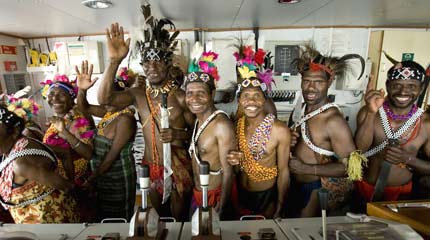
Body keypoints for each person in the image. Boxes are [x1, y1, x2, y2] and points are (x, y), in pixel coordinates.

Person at [96, 3, 193, 220]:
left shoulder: (180, 96)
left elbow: (197, 132)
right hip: (151, 166)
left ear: (168, 65)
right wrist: (113, 62)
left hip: (178, 166)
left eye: (157, 62)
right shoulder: (138, 95)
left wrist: (179, 135)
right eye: (147, 63)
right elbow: (104, 99)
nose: (152, 68)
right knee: (156, 218)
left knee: (179, 220)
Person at [288, 46, 366, 217]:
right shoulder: (301, 109)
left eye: (319, 82)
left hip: (315, 188)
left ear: (329, 83)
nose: (311, 88)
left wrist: (306, 169)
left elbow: (352, 169)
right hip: (294, 185)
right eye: (307, 81)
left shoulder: (333, 121)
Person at [355, 57, 430, 206]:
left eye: (411, 86)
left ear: (421, 89)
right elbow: (358, 151)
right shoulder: (370, 111)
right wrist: (370, 113)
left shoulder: (426, 123)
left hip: (400, 195)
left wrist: (407, 158)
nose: (403, 91)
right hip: (362, 188)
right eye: (397, 85)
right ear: (388, 86)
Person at [227, 46, 290, 219]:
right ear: (239, 100)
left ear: (264, 99)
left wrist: (280, 206)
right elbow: (234, 164)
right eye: (246, 96)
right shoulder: (236, 126)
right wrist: (235, 159)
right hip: (241, 194)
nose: (251, 101)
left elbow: (284, 171)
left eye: (257, 96)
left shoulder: (279, 130)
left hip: (267, 196)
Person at [76, 61, 137, 221]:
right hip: (101, 175)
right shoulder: (109, 112)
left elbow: (112, 156)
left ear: (122, 99)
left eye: (111, 99)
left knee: (118, 218)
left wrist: (91, 178)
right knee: (104, 215)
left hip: (117, 178)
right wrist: (82, 90)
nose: (106, 103)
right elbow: (84, 108)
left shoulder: (125, 119)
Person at [0, 103, 79, 223]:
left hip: (52, 226)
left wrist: (71, 183)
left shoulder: (21, 164)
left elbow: (67, 186)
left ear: (15, 131)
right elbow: (65, 153)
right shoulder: (25, 143)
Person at [185, 48, 235, 219]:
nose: (194, 98)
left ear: (212, 94)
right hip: (198, 194)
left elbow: (229, 171)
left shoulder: (221, 125)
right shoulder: (197, 120)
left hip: (215, 196)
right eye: (189, 93)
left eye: (201, 93)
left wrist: (222, 205)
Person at [40, 74, 95, 221]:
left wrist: (64, 132)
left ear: (72, 98)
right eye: (51, 94)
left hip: (77, 186)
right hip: (59, 182)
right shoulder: (59, 119)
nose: (55, 99)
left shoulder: (81, 121)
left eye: (61, 95)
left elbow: (89, 154)